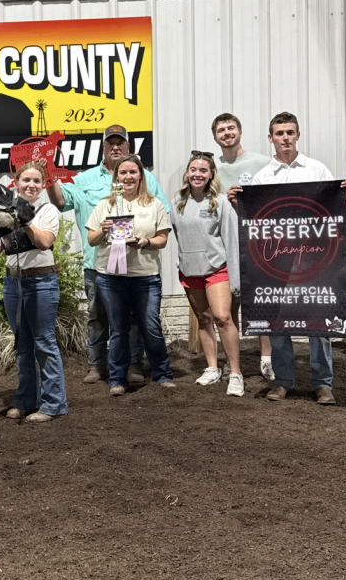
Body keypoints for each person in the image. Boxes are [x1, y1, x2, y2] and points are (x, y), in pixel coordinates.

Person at [227, 111, 346, 407]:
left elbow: (334, 214)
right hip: (276, 263)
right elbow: (255, 223)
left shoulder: (317, 169)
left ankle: (323, 384)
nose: (285, 138)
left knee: (320, 322)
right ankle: (283, 381)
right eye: (279, 133)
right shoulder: (262, 177)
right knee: (277, 322)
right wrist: (237, 204)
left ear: (298, 135)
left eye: (289, 132)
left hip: (314, 261)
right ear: (270, 138)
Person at [48, 125, 171, 387]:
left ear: (128, 147)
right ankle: (97, 365)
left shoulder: (147, 179)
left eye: (120, 143)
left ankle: (134, 365)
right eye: (110, 143)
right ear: (103, 147)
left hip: (138, 267)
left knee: (134, 320)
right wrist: (48, 175)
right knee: (97, 317)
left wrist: (147, 240)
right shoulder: (84, 179)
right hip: (99, 265)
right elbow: (60, 201)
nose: (115, 147)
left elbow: (162, 215)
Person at [0, 160, 67, 423]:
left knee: (44, 343)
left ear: (42, 185)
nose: (31, 185)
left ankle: (54, 403)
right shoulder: (5, 214)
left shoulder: (47, 210)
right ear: (16, 183)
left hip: (41, 282)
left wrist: (25, 219)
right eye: (26, 180)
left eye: (36, 181)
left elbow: (44, 242)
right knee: (22, 345)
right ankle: (26, 400)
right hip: (13, 283)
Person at [85, 156, 175, 394]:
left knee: (151, 326)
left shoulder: (154, 204)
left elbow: (163, 239)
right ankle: (117, 378)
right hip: (111, 276)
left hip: (146, 276)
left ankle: (162, 373)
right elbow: (91, 239)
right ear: (116, 177)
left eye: (133, 172)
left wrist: (146, 242)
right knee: (118, 329)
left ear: (141, 175)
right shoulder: (105, 205)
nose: (128, 177)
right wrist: (103, 230)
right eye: (123, 173)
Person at [170, 152, 245, 397]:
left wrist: (235, 278)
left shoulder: (221, 202)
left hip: (216, 269)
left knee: (223, 317)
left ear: (211, 174)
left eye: (203, 170)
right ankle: (212, 368)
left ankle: (235, 372)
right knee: (203, 319)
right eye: (193, 169)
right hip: (190, 270)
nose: (198, 174)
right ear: (187, 172)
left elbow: (231, 241)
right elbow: (179, 236)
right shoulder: (177, 202)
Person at [211, 112, 274, 381]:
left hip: (259, 242)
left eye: (231, 128)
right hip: (225, 244)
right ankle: (231, 361)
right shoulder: (211, 167)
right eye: (221, 130)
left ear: (240, 131)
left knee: (262, 301)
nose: (227, 133)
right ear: (215, 137)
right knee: (229, 305)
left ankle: (267, 358)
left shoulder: (262, 162)